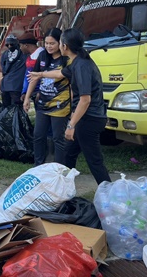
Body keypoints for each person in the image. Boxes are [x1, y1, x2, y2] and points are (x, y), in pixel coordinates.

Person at [29, 28, 111, 184]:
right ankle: (64, 189)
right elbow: (59, 74)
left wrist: (71, 125)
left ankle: (109, 192)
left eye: (59, 42)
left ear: (64, 46)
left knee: (94, 161)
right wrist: (40, 74)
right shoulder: (76, 62)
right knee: (68, 154)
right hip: (84, 118)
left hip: (90, 119)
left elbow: (85, 99)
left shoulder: (82, 66)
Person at [23, 28, 70, 167]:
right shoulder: (42, 55)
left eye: (52, 43)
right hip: (43, 103)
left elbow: (68, 80)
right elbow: (34, 77)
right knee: (38, 135)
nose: (49, 46)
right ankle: (38, 166)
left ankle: (59, 168)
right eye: (46, 43)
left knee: (58, 138)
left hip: (60, 105)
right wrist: (27, 98)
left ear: (60, 43)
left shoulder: (66, 58)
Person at [0, 34, 27, 107]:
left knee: (16, 106)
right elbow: (3, 67)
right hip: (6, 85)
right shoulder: (5, 54)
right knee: (6, 106)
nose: (9, 46)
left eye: (11, 44)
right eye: (7, 45)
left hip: (16, 85)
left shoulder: (23, 54)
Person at [18, 35, 44, 102]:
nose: (20, 48)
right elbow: (27, 76)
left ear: (26, 45)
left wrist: (41, 91)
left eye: (20, 45)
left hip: (41, 93)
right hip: (33, 92)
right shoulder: (29, 57)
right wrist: (24, 92)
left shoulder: (42, 54)